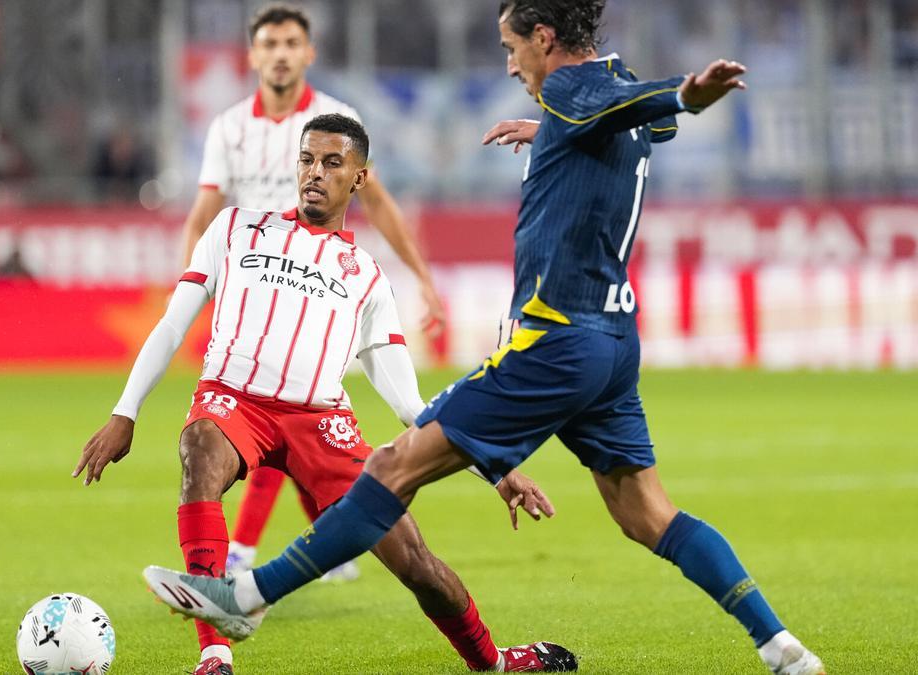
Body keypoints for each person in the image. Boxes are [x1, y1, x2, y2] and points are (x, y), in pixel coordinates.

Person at [141, 3, 827, 675]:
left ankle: (247, 595)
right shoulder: (599, 96)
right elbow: (641, 123)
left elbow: (644, 106)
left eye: (512, 47)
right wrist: (554, 130)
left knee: (389, 469)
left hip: (555, 337)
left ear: (546, 37)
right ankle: (781, 648)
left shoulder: (576, 86)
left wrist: (681, 93)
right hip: (614, 339)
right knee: (646, 512)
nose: (509, 65)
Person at [76, 114, 575, 675]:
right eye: (307, 159)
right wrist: (126, 412)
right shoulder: (235, 228)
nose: (315, 173)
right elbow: (171, 326)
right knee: (199, 451)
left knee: (414, 561)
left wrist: (497, 469)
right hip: (234, 402)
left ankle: (494, 662)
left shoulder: (367, 278)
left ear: (360, 178)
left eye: (332, 163)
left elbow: (411, 406)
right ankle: (215, 655)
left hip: (321, 424)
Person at [181, 3, 448, 593]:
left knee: (292, 405)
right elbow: (204, 213)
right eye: (269, 43)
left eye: (290, 43)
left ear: (308, 53)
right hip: (251, 287)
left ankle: (250, 552)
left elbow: (376, 202)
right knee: (287, 415)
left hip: (317, 286)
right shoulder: (229, 127)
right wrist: (191, 290)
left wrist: (421, 274)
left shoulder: (338, 119)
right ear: (253, 55)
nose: (279, 53)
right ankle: (325, 535)